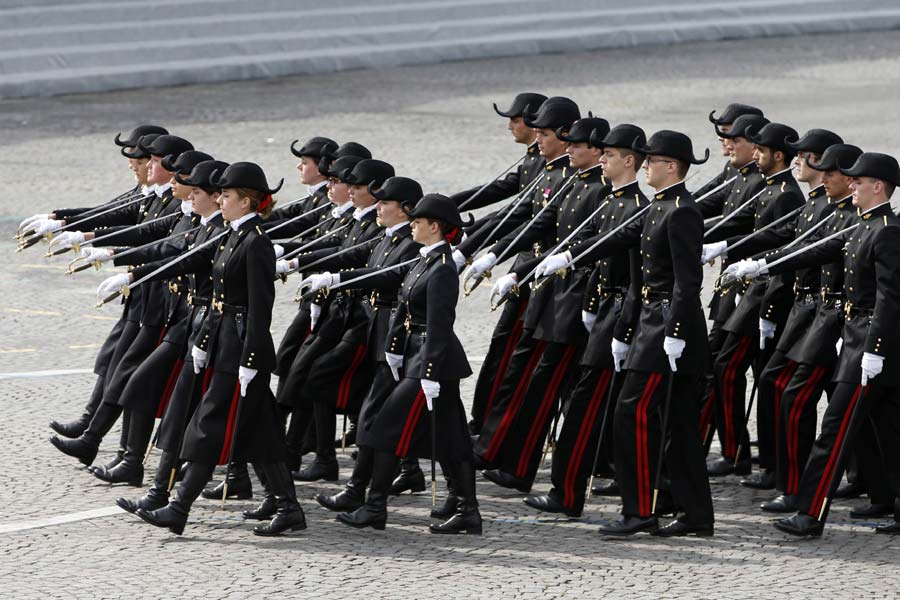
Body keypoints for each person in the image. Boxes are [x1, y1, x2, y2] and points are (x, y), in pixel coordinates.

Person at [537, 130, 715, 536]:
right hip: (650, 324)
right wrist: (570, 255)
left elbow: (688, 283)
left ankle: (640, 512)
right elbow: (621, 246)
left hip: (667, 328)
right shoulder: (658, 207)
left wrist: (676, 331)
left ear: (671, 166)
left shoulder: (682, 210)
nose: (645, 165)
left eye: (651, 160)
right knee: (679, 425)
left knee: (632, 415)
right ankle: (696, 515)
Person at [725, 153, 900, 537]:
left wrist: (875, 348)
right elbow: (814, 250)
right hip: (857, 340)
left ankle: (810, 512)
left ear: (879, 187)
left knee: (834, 432)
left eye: (859, 180)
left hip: (868, 347)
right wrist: (760, 265)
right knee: (889, 430)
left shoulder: (887, 230)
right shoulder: (864, 224)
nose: (851, 185)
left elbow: (890, 297)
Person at [127, 161, 305, 537]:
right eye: (221, 194)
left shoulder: (256, 243)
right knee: (262, 431)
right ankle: (288, 506)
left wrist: (251, 359)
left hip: (241, 349)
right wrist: (133, 270)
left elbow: (260, 307)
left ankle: (178, 508)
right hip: (223, 341)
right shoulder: (230, 235)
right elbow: (211, 290)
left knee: (208, 427)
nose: (220, 200)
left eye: (226, 195)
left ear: (247, 201)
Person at [326, 193, 479, 534]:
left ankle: (375, 506)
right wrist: (394, 347)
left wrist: (428, 373)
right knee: (453, 439)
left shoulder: (441, 270)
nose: (412, 226)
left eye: (417, 222)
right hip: (414, 354)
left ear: (435, 227)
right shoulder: (423, 261)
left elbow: (440, 325)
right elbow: (403, 307)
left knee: (385, 429)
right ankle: (468, 509)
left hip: (430, 361)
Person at [521, 124, 647, 517]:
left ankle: (570, 493)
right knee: (585, 402)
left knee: (588, 405)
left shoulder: (636, 207)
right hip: (603, 308)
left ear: (629, 161)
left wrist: (621, 327)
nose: (602, 159)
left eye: (608, 155)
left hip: (620, 315)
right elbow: (581, 237)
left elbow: (631, 276)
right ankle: (568, 488)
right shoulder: (612, 201)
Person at [111, 159, 228, 513]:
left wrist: (134, 275)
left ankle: (164, 491)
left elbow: (183, 261)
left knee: (241, 425)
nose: (189, 197)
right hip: (195, 327)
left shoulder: (230, 234)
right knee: (181, 414)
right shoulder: (207, 227)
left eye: (196, 192)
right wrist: (115, 256)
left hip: (215, 336)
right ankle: (160, 491)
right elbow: (166, 249)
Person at [450, 93, 547, 435]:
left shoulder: (556, 167)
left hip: (541, 266)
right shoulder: (535, 159)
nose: (509, 126)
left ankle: (498, 429)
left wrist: (482, 249)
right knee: (502, 348)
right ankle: (484, 422)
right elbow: (501, 191)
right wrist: (447, 206)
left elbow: (522, 216)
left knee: (520, 355)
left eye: (514, 119)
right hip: (523, 259)